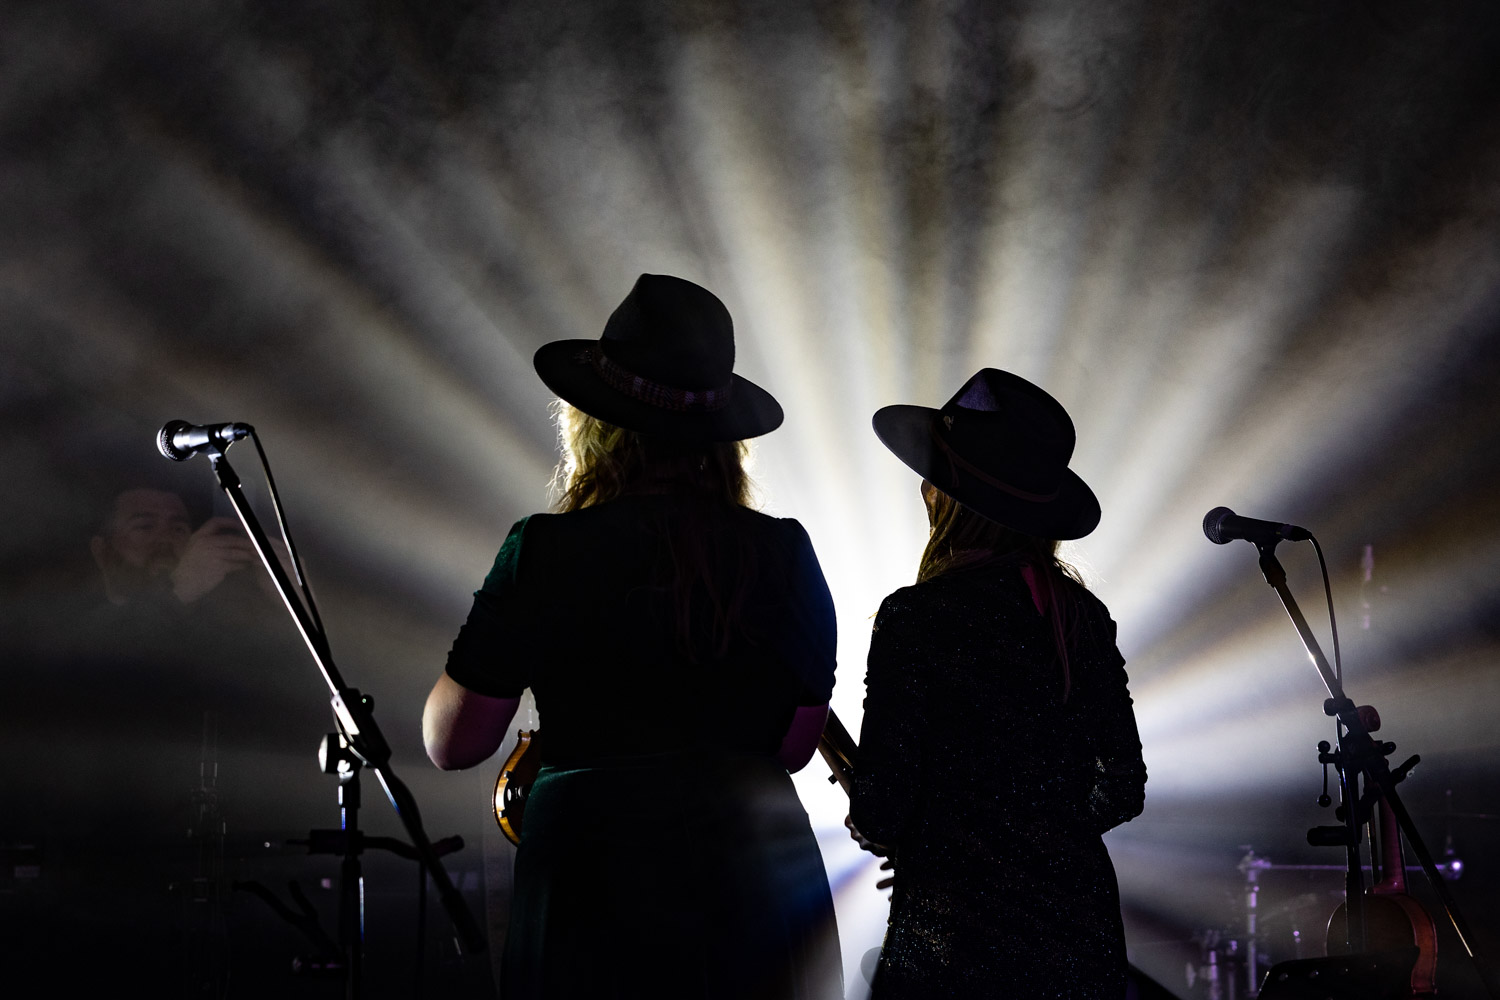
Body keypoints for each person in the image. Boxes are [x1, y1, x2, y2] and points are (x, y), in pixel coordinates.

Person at [423, 274, 843, 1000]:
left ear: (594, 424)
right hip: (754, 881)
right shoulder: (784, 551)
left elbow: (454, 744)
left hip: (593, 882)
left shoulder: (544, 549)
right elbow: (794, 748)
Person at [848, 368, 1147, 999]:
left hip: (954, 946)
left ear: (948, 498)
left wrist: (943, 846)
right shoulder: (1082, 617)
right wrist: (1042, 840)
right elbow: (1123, 787)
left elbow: (882, 807)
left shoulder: (915, 617)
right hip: (1077, 936)